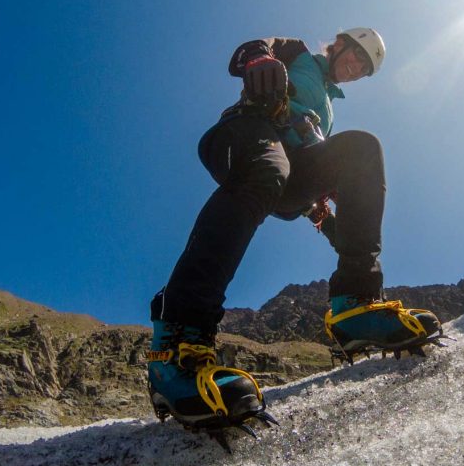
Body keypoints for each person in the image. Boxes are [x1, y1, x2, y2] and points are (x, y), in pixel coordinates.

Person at [147, 28, 441, 437]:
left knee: (361, 150)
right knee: (268, 170)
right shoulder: (299, 54)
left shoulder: (328, 110)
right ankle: (176, 346)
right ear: (339, 43)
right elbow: (255, 48)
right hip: (246, 132)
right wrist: (260, 59)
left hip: (289, 170)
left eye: (364, 69)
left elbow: (307, 161)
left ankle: (355, 304)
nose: (355, 68)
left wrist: (325, 215)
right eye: (355, 55)